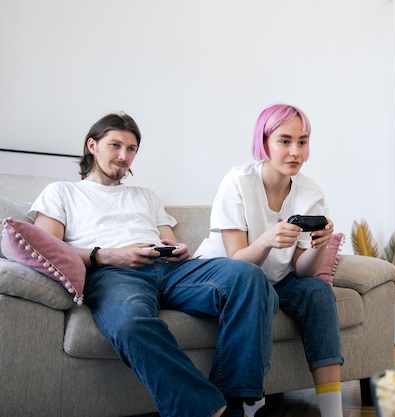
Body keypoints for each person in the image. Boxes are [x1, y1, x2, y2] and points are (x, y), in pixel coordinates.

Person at [28, 112, 277, 417]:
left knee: (247, 276)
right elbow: (49, 248)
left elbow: (169, 239)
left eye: (131, 149)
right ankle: (212, 410)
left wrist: (178, 250)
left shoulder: (145, 195)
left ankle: (243, 402)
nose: (124, 156)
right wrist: (108, 254)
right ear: (92, 145)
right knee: (131, 323)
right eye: (115, 146)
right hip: (114, 274)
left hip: (170, 271)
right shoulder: (62, 192)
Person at [194, 104, 344, 417]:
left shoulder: (310, 191)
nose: (295, 151)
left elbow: (304, 271)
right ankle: (254, 409)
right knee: (257, 286)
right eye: (284, 141)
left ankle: (333, 412)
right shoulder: (238, 182)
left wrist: (319, 245)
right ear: (264, 143)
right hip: (226, 278)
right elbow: (237, 259)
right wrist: (266, 240)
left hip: (276, 279)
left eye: (302, 142)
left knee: (317, 291)